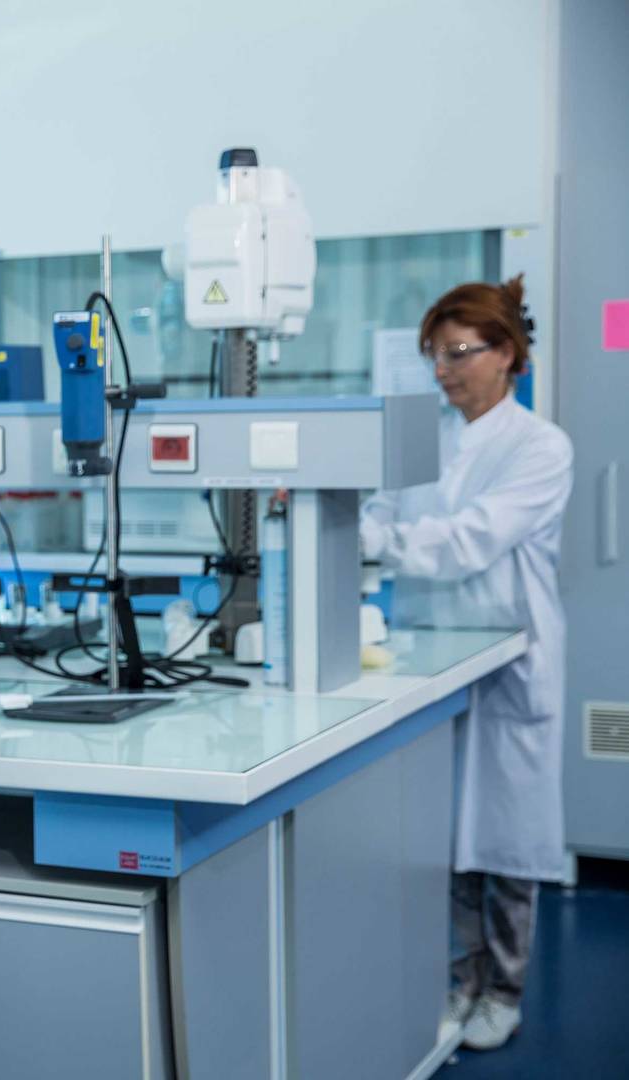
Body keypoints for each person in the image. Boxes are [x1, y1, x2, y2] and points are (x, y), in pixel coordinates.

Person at [359, 275, 572, 1051]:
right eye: (434, 357)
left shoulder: (540, 447)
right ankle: (457, 980)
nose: (444, 371)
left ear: (506, 353)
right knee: (440, 840)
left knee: (508, 844)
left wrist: (374, 540)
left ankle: (504, 989)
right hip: (431, 657)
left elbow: (469, 540)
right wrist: (351, 518)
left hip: (510, 656)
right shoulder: (426, 442)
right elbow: (380, 509)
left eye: (458, 354)